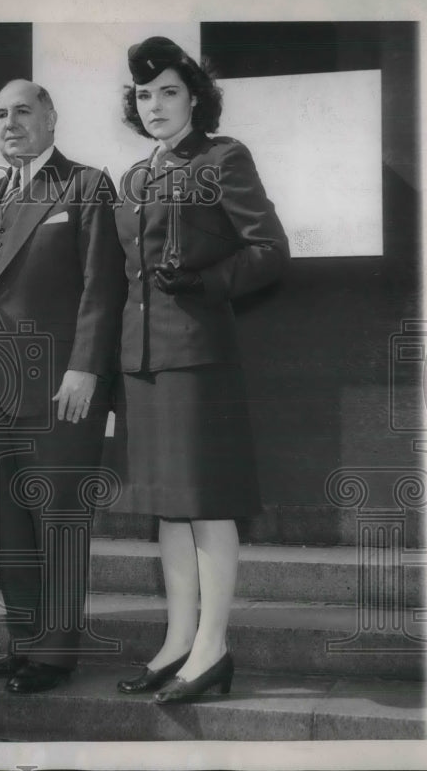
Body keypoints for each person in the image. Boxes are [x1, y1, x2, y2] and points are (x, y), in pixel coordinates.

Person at [113, 37, 289, 703]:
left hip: (198, 357)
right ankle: (179, 641)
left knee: (207, 505)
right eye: (143, 94)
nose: (153, 105)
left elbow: (270, 250)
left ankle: (212, 647)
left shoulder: (223, 159)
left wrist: (207, 281)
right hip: (145, 364)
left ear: (194, 98)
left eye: (167, 92)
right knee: (169, 509)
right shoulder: (134, 177)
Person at [0, 79, 126, 694]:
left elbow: (102, 285)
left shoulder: (85, 186)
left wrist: (87, 368)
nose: (11, 122)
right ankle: (24, 639)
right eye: (0, 113)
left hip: (61, 386)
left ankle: (55, 653)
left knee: (58, 516)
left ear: (51, 119)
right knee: (8, 520)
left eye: (23, 111)